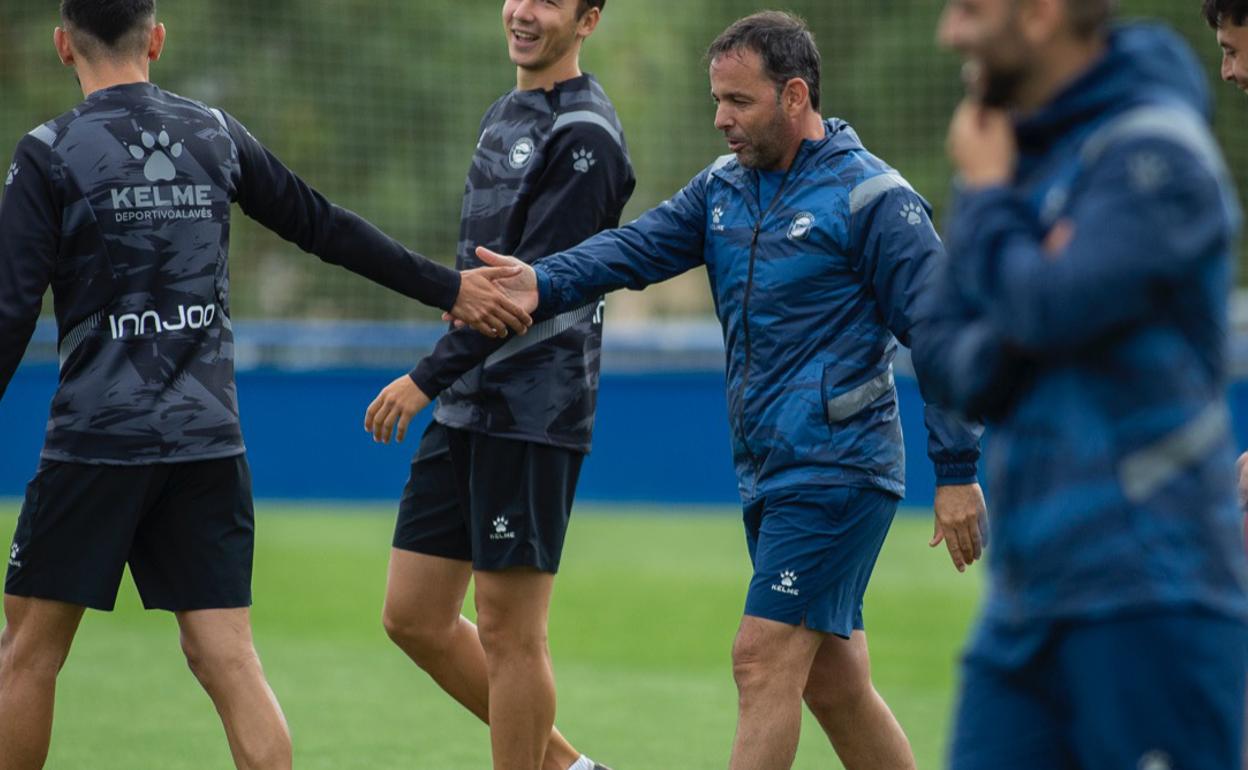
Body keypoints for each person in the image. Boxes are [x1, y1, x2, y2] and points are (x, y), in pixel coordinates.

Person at [433, 11, 987, 770]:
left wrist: (956, 472)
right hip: (770, 469)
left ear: (795, 96)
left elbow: (946, 335)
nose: (721, 119)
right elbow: (630, 250)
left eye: (738, 102)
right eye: (716, 101)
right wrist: (539, 280)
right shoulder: (723, 191)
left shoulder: (874, 201)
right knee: (833, 683)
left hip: (838, 471)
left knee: (760, 658)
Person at [0, 2, 531, 769]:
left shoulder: (48, 153)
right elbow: (324, 225)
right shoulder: (214, 133)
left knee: (28, 653)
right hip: (207, 443)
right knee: (228, 659)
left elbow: (12, 309)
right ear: (156, 37)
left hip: (98, 442)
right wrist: (446, 287)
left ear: (61, 46)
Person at [915, 1, 1248, 767]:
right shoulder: (1007, 157)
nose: (950, 33)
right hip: (1025, 602)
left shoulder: (1156, 155)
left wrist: (998, 217)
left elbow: (1044, 310)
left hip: (1152, 597)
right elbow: (941, 352)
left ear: (1039, 14)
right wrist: (1027, 295)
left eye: (969, 9)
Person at [360, 1, 633, 769]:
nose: (521, 11)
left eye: (547, 0)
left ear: (589, 19)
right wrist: (443, 383)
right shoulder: (505, 111)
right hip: (467, 400)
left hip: (534, 408)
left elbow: (518, 299)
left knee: (512, 630)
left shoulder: (587, 136)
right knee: (413, 614)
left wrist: (422, 379)